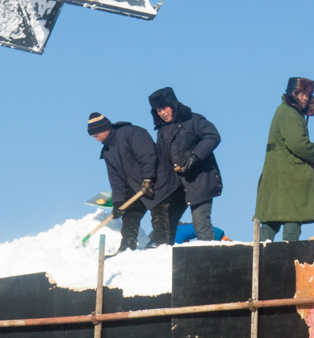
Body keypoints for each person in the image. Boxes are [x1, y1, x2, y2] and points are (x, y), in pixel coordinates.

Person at [254, 77, 314, 241]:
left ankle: (258, 256)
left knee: (272, 220)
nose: (305, 98)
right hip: (289, 175)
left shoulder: (285, 111)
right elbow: (298, 143)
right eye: (301, 93)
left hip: (279, 174)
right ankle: (288, 256)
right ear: (293, 93)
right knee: (294, 217)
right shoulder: (290, 113)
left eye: (308, 95)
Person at [149, 86, 223, 242]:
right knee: (167, 221)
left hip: (200, 180)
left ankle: (208, 256)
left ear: (173, 105)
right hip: (177, 185)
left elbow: (212, 136)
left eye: (164, 108)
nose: (162, 113)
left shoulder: (194, 120)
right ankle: (163, 255)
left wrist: (194, 157)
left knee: (200, 222)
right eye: (157, 110)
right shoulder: (162, 131)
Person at [88, 112, 163, 251]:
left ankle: (160, 245)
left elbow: (147, 156)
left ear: (104, 129)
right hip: (138, 187)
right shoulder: (108, 151)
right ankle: (127, 248)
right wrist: (118, 202)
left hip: (158, 180)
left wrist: (147, 179)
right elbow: (116, 180)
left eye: (97, 135)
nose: (97, 139)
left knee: (159, 212)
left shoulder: (131, 133)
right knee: (129, 215)